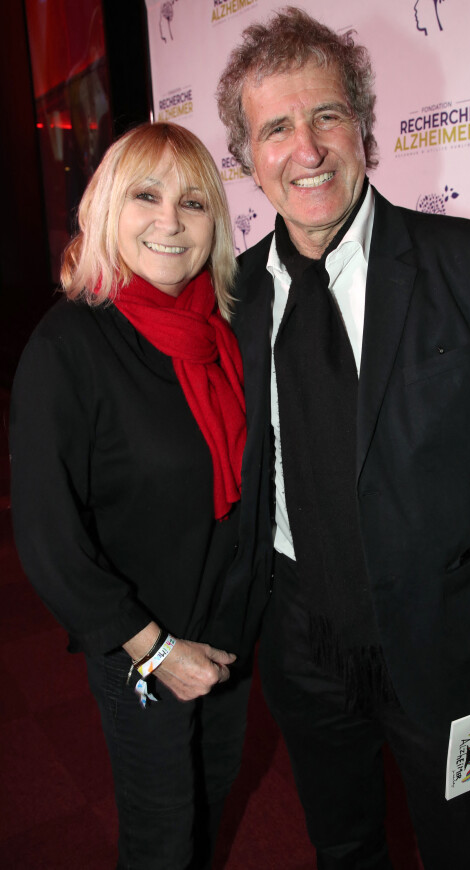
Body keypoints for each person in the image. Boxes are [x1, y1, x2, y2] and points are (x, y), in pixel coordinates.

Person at [217, 8, 470, 869]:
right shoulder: (231, 301)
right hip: (303, 653)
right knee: (342, 847)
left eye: (326, 115)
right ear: (246, 159)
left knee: (469, 856)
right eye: (275, 128)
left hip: (450, 650)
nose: (306, 148)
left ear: (365, 129)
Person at [9, 122, 255, 870]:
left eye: (193, 202)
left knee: (212, 805)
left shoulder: (228, 329)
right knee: (161, 839)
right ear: (108, 208)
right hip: (140, 646)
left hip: (232, 628)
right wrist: (156, 652)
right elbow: (49, 540)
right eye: (146, 196)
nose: (170, 222)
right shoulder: (68, 345)